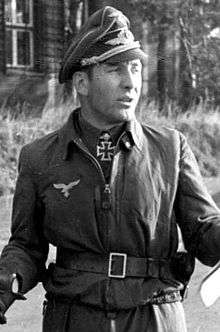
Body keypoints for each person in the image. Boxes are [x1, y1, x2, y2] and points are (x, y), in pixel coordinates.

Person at [0, 6, 220, 332]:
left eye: (135, 68)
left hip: (155, 316)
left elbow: (204, 234)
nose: (131, 82)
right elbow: (26, 246)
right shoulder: (39, 158)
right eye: (115, 69)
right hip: (73, 319)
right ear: (82, 82)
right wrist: (7, 280)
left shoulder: (170, 149)